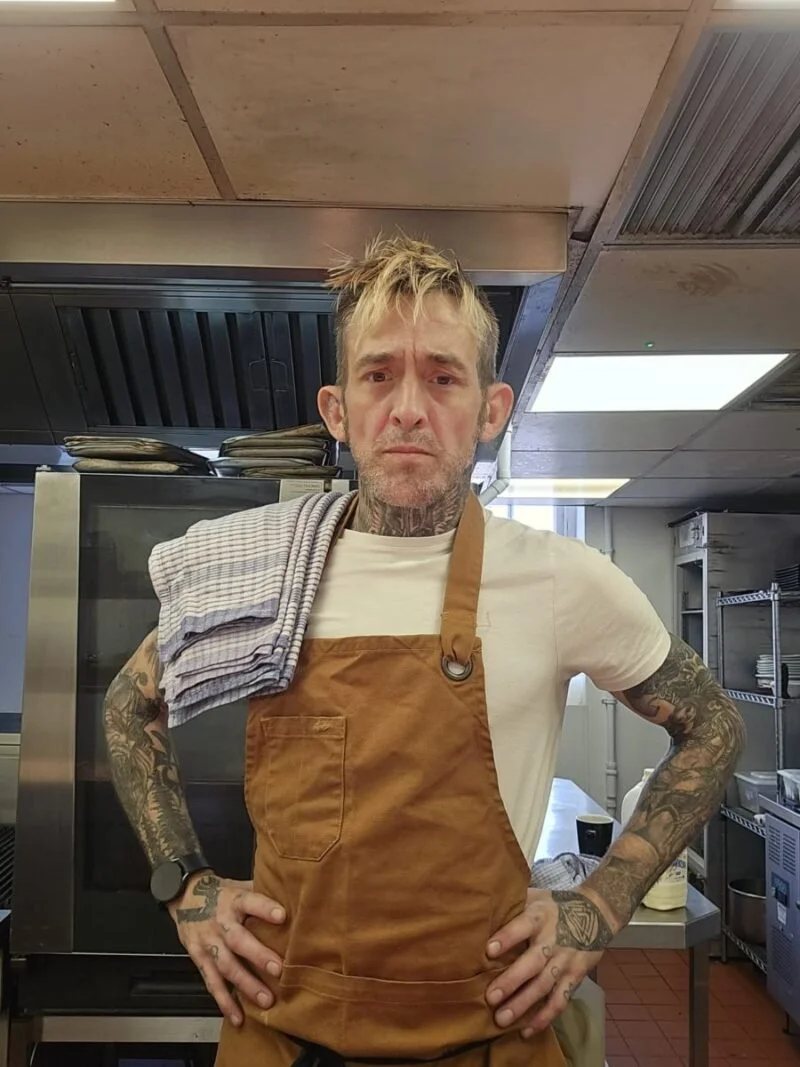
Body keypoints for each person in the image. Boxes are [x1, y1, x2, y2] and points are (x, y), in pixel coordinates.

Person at [103, 235, 745, 1066]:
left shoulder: (563, 579)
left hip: (487, 1043)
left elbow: (715, 725)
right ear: (337, 411)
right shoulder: (265, 573)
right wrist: (185, 885)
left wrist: (605, 899)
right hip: (280, 1038)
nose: (408, 406)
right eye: (379, 375)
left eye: (442, 376)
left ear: (491, 409)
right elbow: (129, 703)